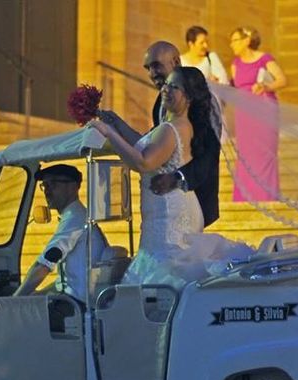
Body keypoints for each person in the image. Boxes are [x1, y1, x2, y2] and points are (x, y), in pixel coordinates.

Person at [92, 67, 220, 287]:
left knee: (162, 273)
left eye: (174, 87)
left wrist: (109, 134)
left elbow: (143, 162)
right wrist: (118, 124)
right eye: (166, 85)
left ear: (188, 97)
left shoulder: (172, 129)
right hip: (165, 211)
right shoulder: (173, 126)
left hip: (167, 215)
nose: (165, 90)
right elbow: (145, 146)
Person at [98, 41, 221, 228]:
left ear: (176, 61)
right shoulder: (161, 103)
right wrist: (116, 123)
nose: (151, 73)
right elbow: (154, 144)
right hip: (164, 203)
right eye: (148, 68)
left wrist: (178, 178)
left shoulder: (201, 98)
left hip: (190, 197)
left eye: (156, 65)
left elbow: (210, 151)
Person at [13, 164, 108, 303]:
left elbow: (44, 265)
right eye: (45, 185)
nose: (47, 191)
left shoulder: (75, 218)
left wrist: (12, 301)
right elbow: (63, 281)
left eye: (53, 184)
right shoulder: (77, 215)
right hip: (75, 299)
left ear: (73, 187)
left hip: (76, 305)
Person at [229, 26, 287, 202]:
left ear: (246, 41)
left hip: (264, 111)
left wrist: (265, 87)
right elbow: (235, 87)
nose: (232, 45)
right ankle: (245, 196)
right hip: (244, 114)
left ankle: (266, 195)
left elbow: (282, 80)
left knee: (264, 154)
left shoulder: (265, 59)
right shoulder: (234, 64)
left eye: (235, 40)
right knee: (246, 155)